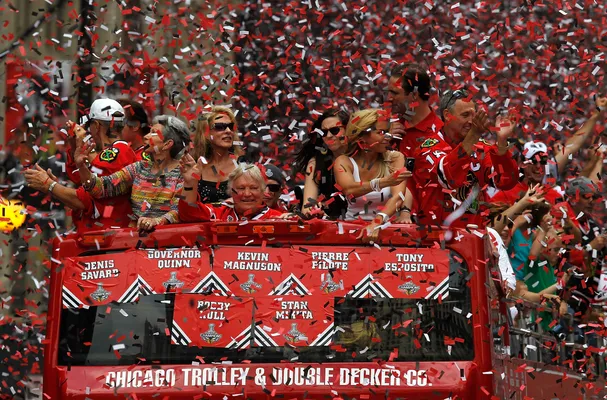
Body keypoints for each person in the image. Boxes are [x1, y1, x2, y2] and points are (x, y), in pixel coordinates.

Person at [387, 65, 518, 225]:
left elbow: (505, 182)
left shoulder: (481, 147)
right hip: (435, 239)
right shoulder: (427, 146)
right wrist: (474, 135)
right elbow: (448, 178)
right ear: (448, 116)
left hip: (472, 240)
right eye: (465, 115)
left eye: (473, 114)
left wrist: (502, 143)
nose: (471, 121)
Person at [74, 115, 190, 231]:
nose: (145, 137)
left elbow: (178, 211)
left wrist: (155, 221)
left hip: (168, 242)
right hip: (134, 239)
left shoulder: (183, 173)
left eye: (153, 133)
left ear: (167, 144)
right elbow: (101, 188)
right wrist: (82, 167)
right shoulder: (138, 168)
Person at [334, 109, 411, 242]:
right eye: (381, 133)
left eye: (388, 132)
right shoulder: (344, 162)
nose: (388, 137)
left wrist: (377, 222)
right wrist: (383, 182)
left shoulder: (395, 158)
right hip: (353, 231)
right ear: (362, 136)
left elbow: (399, 197)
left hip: (387, 231)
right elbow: (349, 190)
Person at [178, 162, 283, 222]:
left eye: (253, 188)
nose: (247, 194)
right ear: (231, 192)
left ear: (263, 191)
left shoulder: (278, 218)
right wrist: (190, 184)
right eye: (241, 188)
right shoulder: (219, 212)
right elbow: (188, 213)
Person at [65, 98, 137, 185]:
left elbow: (98, 181)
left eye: (89, 124)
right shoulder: (116, 150)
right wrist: (74, 147)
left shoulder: (120, 151)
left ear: (96, 125)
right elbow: (79, 179)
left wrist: (84, 140)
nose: (88, 129)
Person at [293, 108, 349, 218]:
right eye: (324, 132)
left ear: (348, 129)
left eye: (334, 130)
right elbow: (307, 207)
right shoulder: (316, 163)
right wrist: (314, 211)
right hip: (329, 225)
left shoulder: (362, 157)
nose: (328, 136)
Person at [191, 106, 243, 204]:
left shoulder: (243, 165)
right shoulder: (194, 165)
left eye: (231, 126)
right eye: (220, 127)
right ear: (206, 133)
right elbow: (187, 205)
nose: (228, 131)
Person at [490, 141, 565, 205]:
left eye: (543, 161)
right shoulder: (507, 194)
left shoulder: (555, 196)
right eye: (533, 161)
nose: (538, 166)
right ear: (522, 163)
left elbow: (570, 221)